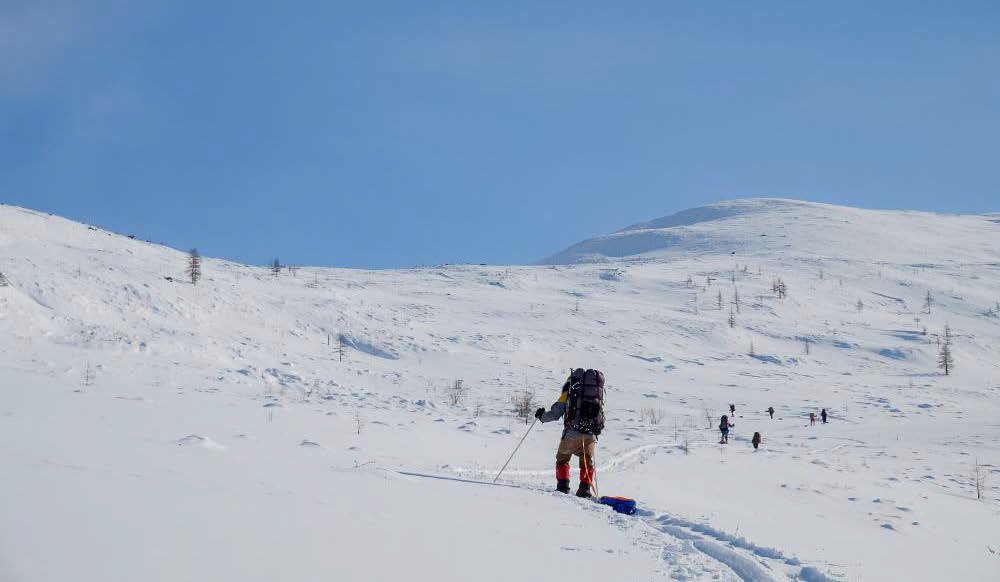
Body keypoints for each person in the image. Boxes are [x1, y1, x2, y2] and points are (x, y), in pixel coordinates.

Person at [535, 368, 606, 498]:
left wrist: (541, 416)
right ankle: (584, 490)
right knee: (587, 463)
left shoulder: (570, 391)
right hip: (590, 435)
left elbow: (556, 414)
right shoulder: (596, 392)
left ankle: (563, 487)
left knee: (562, 460)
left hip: (571, 435)